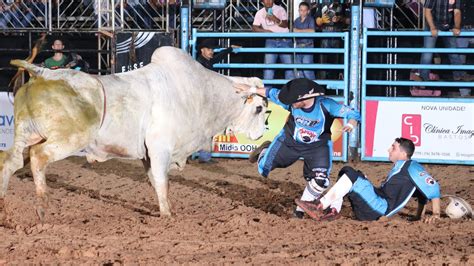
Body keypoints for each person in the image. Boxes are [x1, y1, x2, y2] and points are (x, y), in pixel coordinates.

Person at [234, 78, 360, 219]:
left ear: (305, 97)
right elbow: (271, 92)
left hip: (317, 147)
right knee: (263, 169)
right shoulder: (290, 102)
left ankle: (299, 211)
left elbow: (353, 114)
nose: (290, 103)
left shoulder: (326, 105)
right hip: (290, 142)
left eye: (294, 100)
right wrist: (250, 89)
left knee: (321, 181)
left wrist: (350, 125)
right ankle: (264, 151)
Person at [296, 138, 442, 222]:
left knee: (352, 175)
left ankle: (319, 206)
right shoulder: (404, 168)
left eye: (393, 147)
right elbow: (421, 192)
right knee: (347, 171)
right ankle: (333, 210)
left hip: (378, 208)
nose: (389, 150)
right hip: (376, 204)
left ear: (403, 153)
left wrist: (436, 214)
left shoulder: (412, 166)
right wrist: (418, 215)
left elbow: (432, 187)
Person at [419, 0, 468, 96]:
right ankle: (423, 78)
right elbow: (427, 10)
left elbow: (457, 12)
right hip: (432, 23)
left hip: (447, 25)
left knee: (453, 51)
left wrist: (457, 27)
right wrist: (432, 27)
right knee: (428, 52)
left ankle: (459, 74)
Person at [252, 0, 294, 86]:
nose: (268, 1)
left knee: (289, 68)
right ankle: (267, 94)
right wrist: (266, 31)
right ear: (262, 1)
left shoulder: (280, 9)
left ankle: (291, 94)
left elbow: (285, 24)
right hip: (270, 40)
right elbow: (254, 27)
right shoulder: (260, 13)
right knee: (268, 69)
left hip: (284, 40)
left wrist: (275, 19)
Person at [293, 1, 316, 80]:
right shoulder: (296, 21)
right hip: (298, 47)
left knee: (307, 70)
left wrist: (299, 31)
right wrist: (305, 30)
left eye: (304, 10)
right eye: (301, 10)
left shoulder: (311, 19)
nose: (302, 12)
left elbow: (312, 31)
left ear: (308, 11)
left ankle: (314, 89)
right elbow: (293, 31)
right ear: (298, 11)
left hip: (308, 46)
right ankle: (303, 90)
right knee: (300, 71)